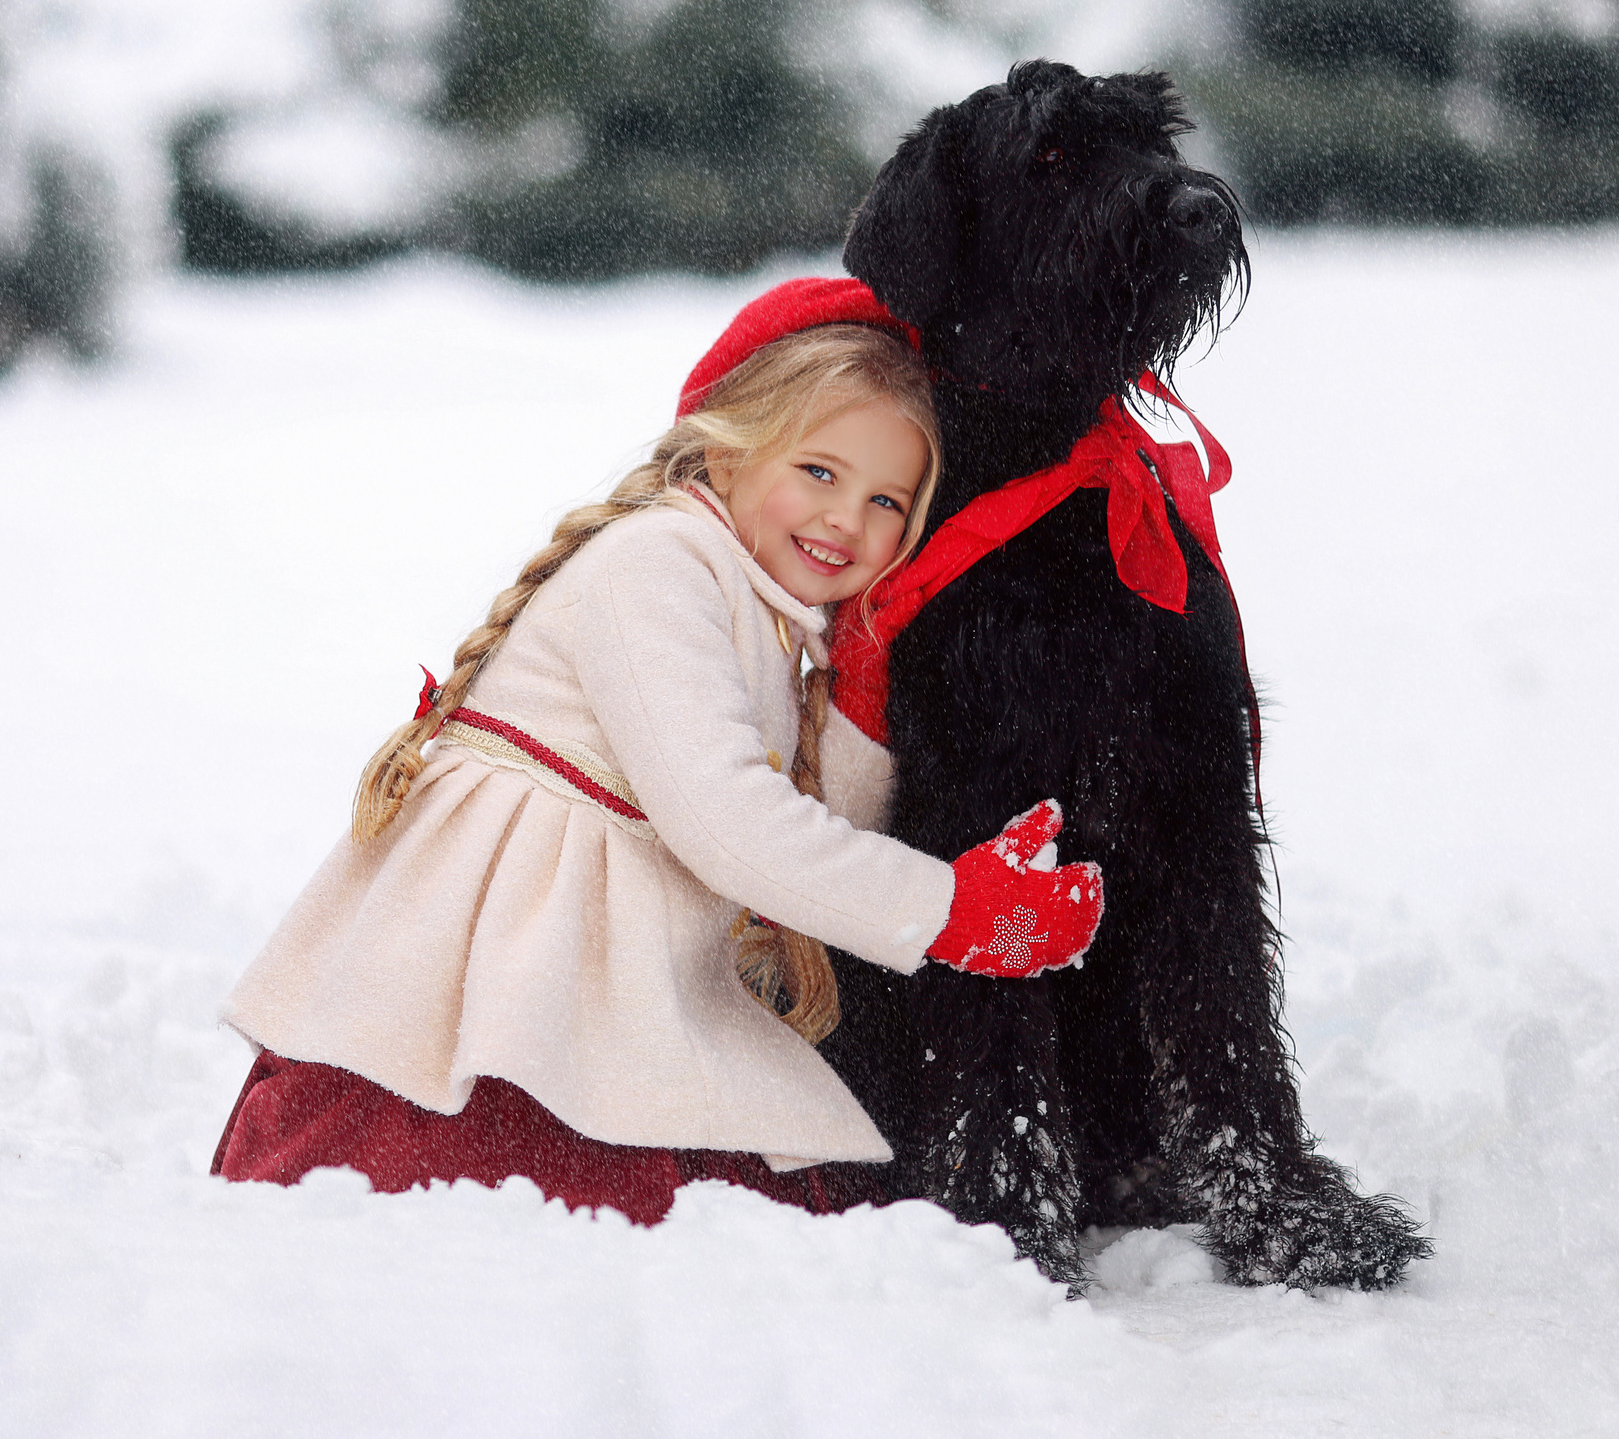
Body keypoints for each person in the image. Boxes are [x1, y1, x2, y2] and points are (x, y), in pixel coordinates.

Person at [212, 278, 1105, 1223]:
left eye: (887, 498)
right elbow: (728, 821)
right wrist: (948, 908)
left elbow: (795, 848)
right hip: (513, 986)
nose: (848, 517)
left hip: (612, 976)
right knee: (550, 1188)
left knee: (766, 1198)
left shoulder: (771, 616)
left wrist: (861, 703)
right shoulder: (658, 563)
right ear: (725, 451)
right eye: (818, 471)